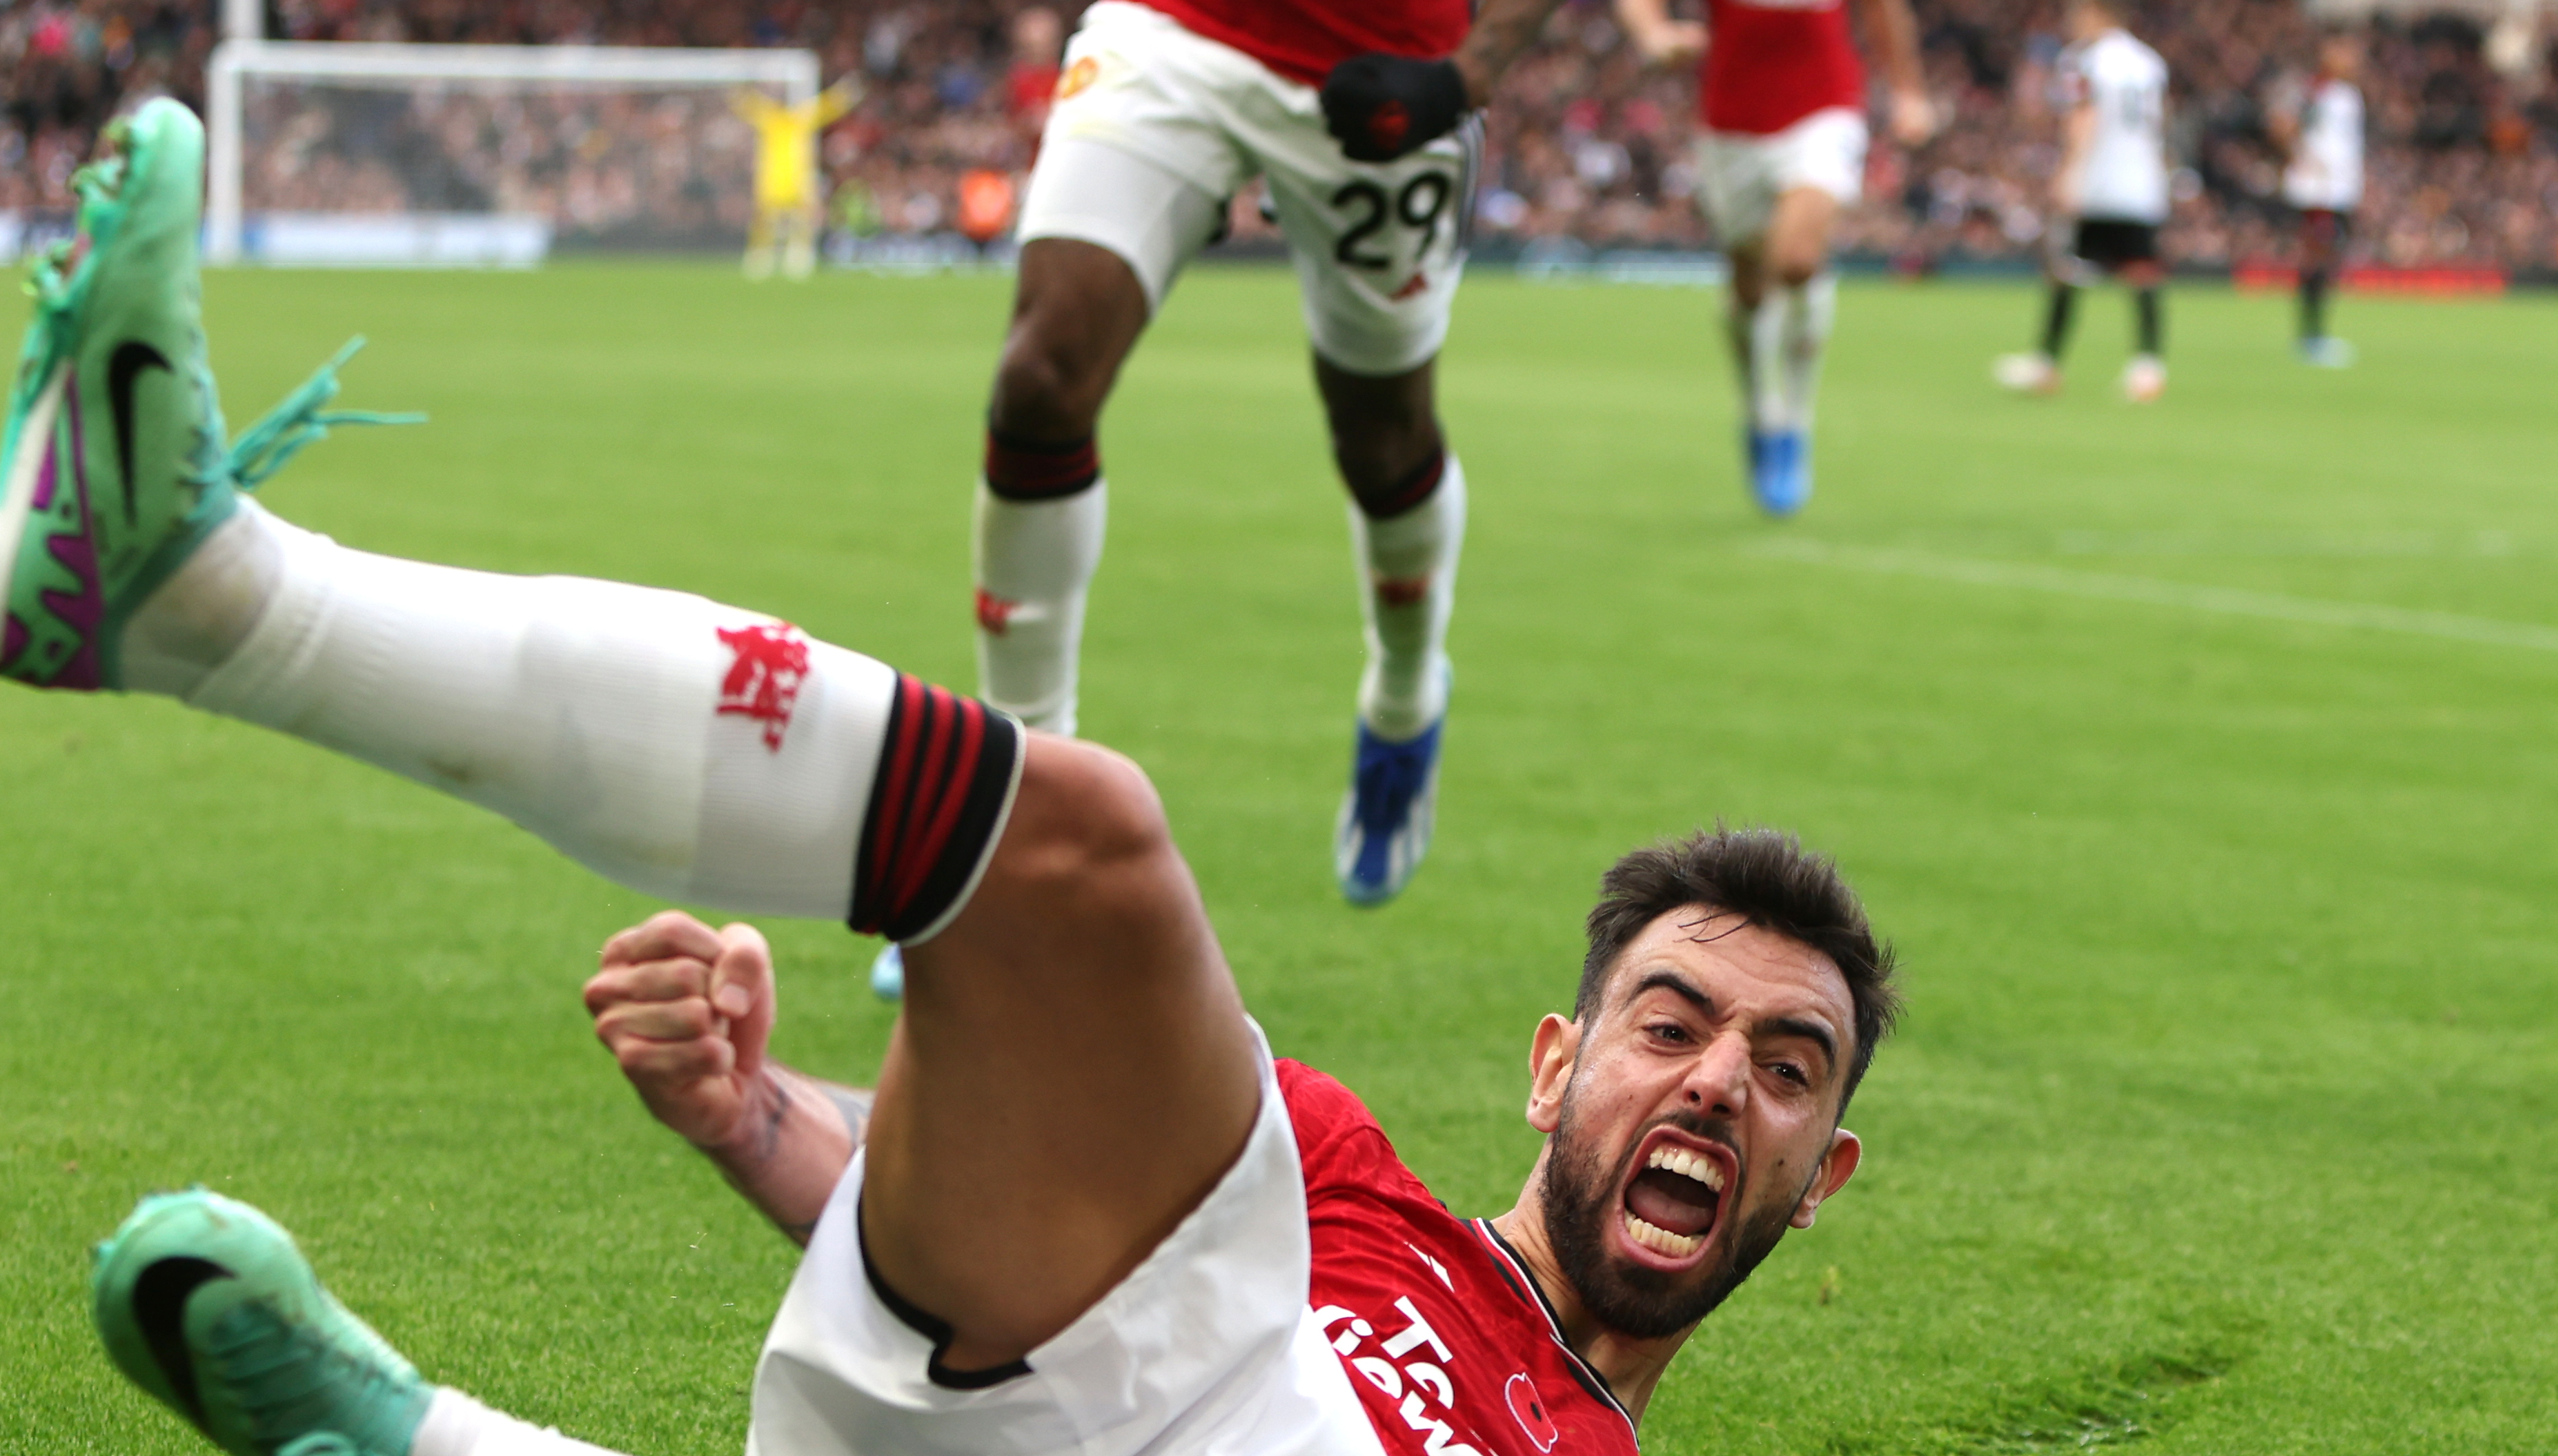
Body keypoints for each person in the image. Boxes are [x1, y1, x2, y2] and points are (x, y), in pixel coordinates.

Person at [0, 99, 2078, 1456]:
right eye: (1672, 1021)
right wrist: (746, 1100)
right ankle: (203, 589)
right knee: (1085, 841)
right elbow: (980, 1195)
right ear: (1555, 1062)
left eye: (1785, 1070)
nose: (1715, 1078)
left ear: (1826, 1172)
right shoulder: (1323, 1171)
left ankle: (405, 1451)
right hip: (1068, 1390)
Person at [970, 0, 1580, 907]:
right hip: (1172, 38)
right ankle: (1024, 806)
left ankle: (1405, 697)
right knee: (1041, 379)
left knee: (1382, 438)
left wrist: (1462, 76)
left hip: (1386, 66)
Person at [1617, 0, 1934, 517]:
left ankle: (1795, 423)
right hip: (1731, 125)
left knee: (1796, 259)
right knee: (1748, 284)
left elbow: (1884, 11)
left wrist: (1909, 90)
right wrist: (1651, 31)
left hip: (1823, 107)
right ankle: (1760, 408)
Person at [1993, 0, 2171, 403]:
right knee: (2142, 272)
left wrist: (2069, 173)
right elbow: (2159, 122)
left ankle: (2047, 363)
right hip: (2141, 182)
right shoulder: (2148, 62)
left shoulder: (2085, 60)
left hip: (2098, 181)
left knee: (2066, 270)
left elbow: (2082, 118)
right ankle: (2148, 367)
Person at [2275, 32, 2363, 367]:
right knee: (2317, 260)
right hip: (2319, 193)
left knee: (2328, 263)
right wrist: (2302, 158)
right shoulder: (2316, 90)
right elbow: (2282, 123)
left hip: (2339, 192)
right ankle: (2311, 337)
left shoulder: (2347, 95)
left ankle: (2315, 335)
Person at [731, 73, 861, 282]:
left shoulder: (800, 119)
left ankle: (798, 258)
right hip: (771, 181)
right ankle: (760, 258)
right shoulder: (770, 119)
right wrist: (738, 93)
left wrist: (844, 94)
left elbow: (827, 106)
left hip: (799, 182)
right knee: (765, 222)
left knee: (801, 222)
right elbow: (749, 106)